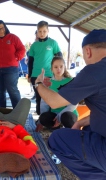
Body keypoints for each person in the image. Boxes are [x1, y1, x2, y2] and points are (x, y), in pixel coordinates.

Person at [35, 29, 106, 180]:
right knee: (87, 128)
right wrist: (81, 121)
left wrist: (38, 84)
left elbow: (54, 101)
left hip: (65, 114)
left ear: (88, 51)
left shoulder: (94, 71)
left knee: (57, 139)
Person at [0, 20, 26, 108]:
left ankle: (17, 112)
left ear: (5, 27)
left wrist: (17, 57)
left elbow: (22, 49)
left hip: (11, 69)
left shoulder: (13, 38)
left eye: (2, 28)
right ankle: (2, 111)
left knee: (12, 90)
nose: (1, 31)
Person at [28, 21, 62, 115]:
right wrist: (30, 75)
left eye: (44, 31)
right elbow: (30, 62)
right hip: (36, 75)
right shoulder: (34, 45)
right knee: (38, 98)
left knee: (49, 98)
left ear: (48, 31)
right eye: (40, 31)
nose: (42, 33)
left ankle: (50, 119)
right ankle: (40, 120)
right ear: (37, 32)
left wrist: (59, 73)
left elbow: (59, 59)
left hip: (49, 75)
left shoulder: (53, 43)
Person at [36, 56, 78, 131]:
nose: (59, 69)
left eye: (61, 66)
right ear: (52, 69)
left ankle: (68, 130)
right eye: (55, 67)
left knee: (67, 117)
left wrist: (60, 116)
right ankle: (57, 128)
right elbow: (44, 102)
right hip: (54, 114)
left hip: (68, 113)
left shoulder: (71, 81)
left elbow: (74, 103)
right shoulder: (48, 82)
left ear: (64, 67)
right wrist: (41, 121)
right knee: (43, 117)